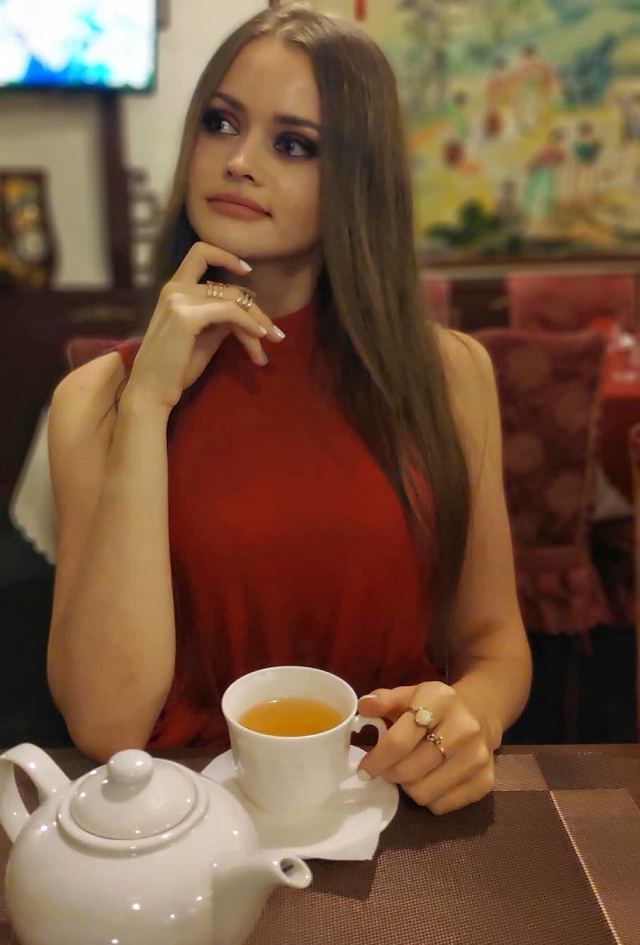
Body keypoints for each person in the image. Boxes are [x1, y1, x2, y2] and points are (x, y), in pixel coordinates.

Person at [46, 3, 531, 816]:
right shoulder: (96, 400)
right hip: (187, 823)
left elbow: (494, 643)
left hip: (391, 809)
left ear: (357, 180)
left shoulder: (449, 375)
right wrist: (148, 406)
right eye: (220, 123)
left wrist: (470, 714)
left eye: (294, 144)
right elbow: (106, 721)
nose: (238, 162)